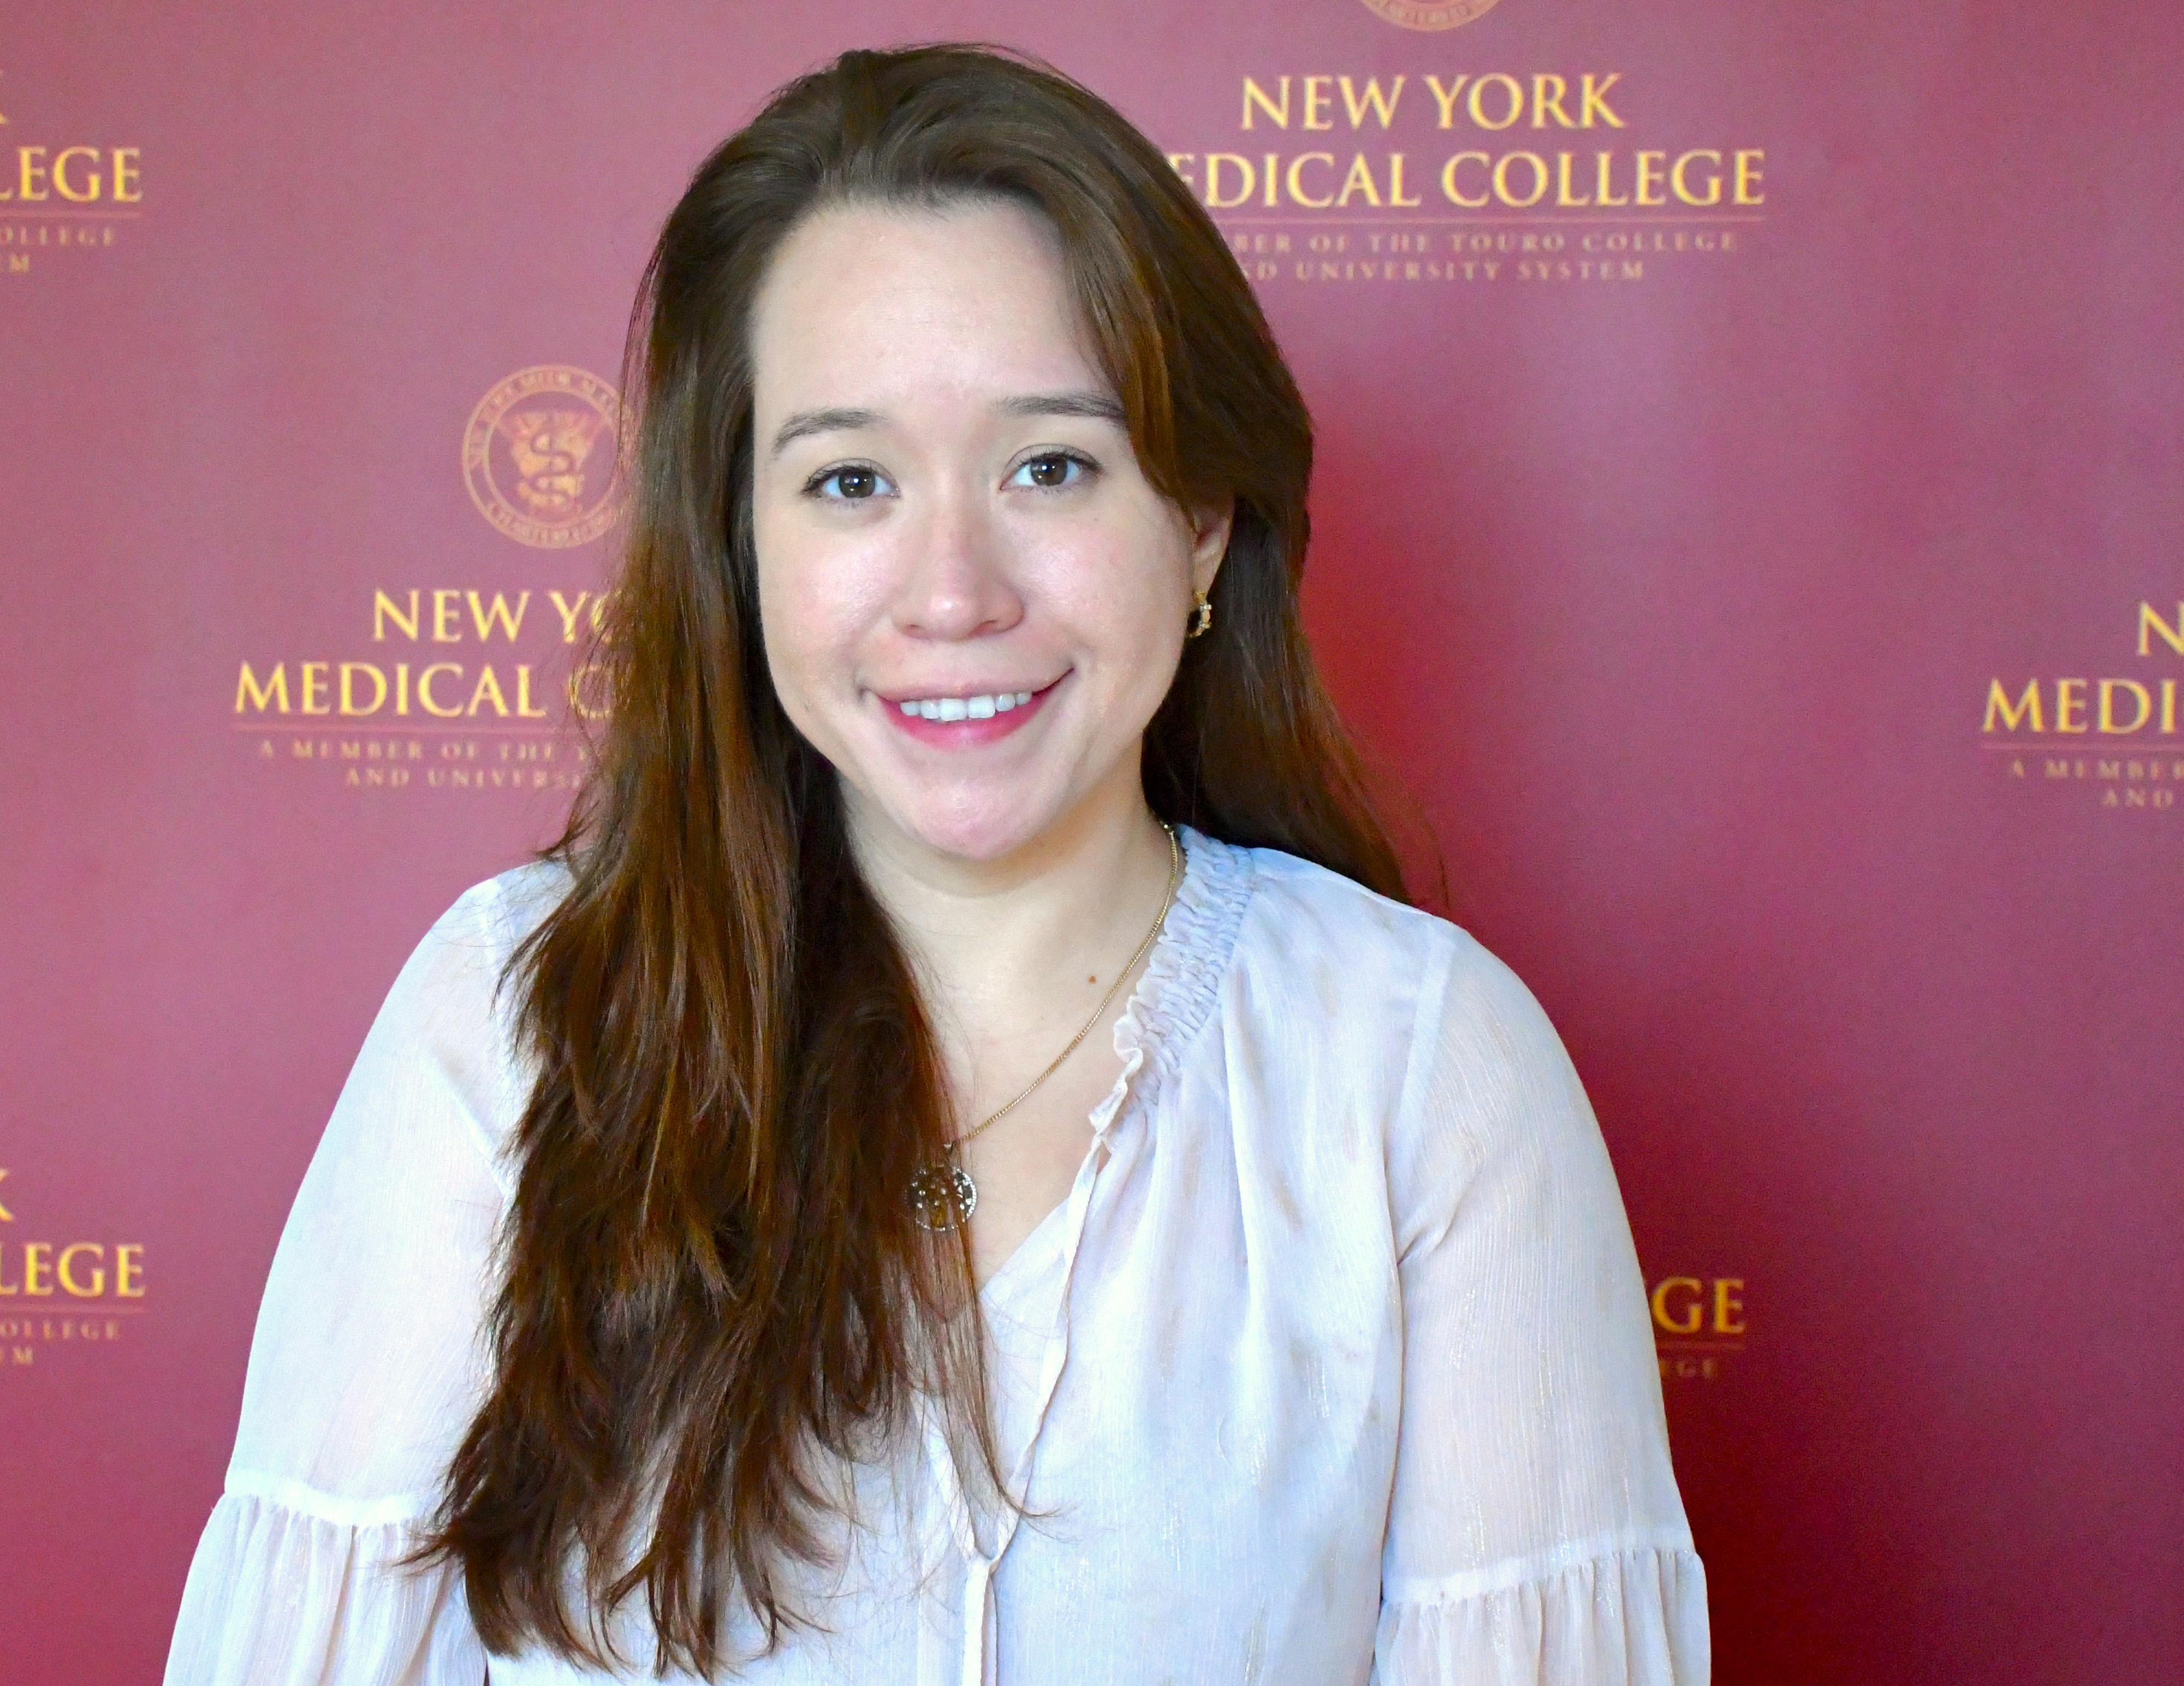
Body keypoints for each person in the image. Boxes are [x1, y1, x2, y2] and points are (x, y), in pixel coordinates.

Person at [165, 43, 1708, 1686]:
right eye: (850, 481)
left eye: (1052, 465)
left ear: (1197, 523)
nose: (954, 590)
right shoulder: (511, 1020)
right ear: (738, 546)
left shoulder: (1421, 1068)